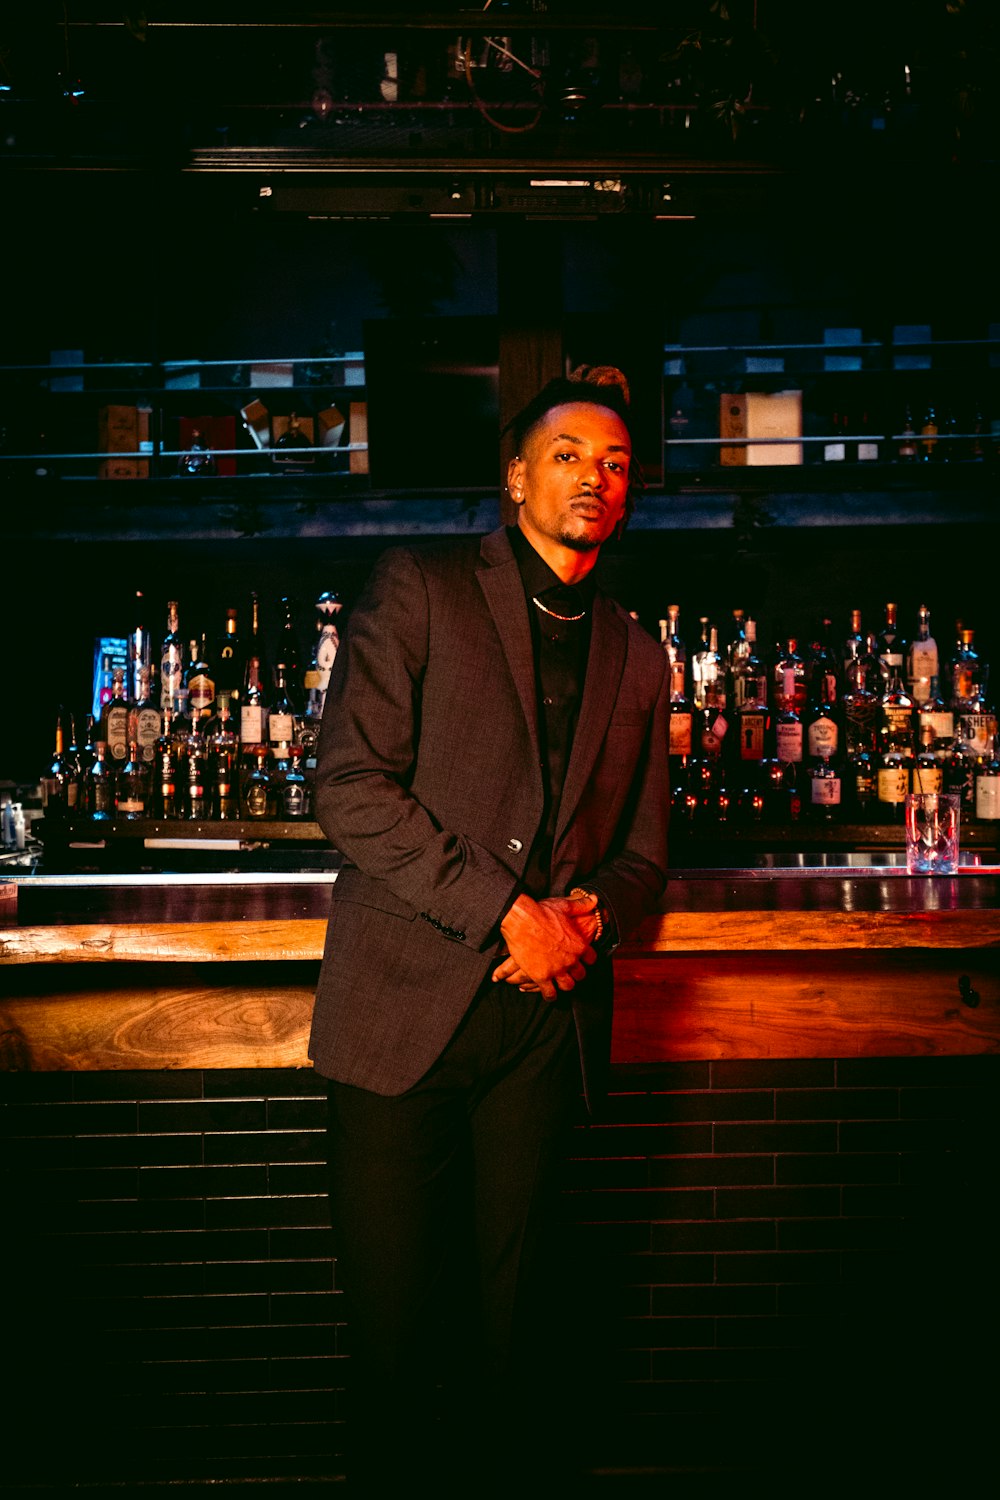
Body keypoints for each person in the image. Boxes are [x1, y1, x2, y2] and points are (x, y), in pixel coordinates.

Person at [309, 365, 670, 1494]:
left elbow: (647, 860)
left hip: (540, 1036)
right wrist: (510, 911)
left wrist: (589, 918)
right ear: (515, 476)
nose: (593, 478)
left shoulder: (636, 649)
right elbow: (351, 788)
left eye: (614, 463)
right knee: (395, 1346)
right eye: (568, 454)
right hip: (401, 1020)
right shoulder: (417, 587)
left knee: (521, 1348)